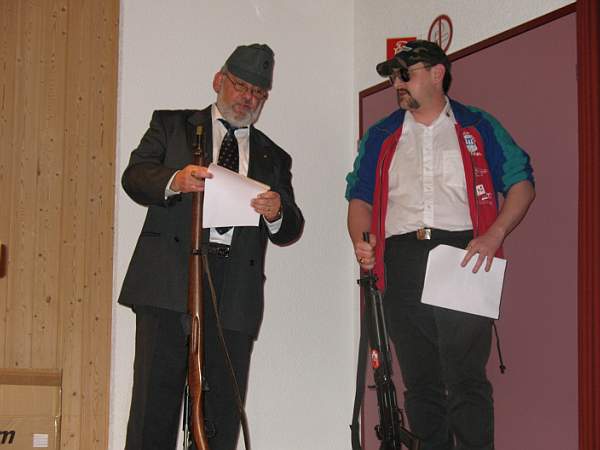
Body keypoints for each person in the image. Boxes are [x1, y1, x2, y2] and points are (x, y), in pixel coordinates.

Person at [345, 40, 535, 450]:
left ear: (437, 73)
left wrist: (495, 234)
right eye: (393, 77)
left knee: (465, 378)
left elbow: (521, 182)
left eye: (405, 74)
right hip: (401, 259)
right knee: (420, 381)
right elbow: (359, 198)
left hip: (463, 255)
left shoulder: (478, 125)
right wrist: (363, 242)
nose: (397, 84)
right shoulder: (381, 135)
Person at [118, 43, 304, 450]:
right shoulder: (172, 125)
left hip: (234, 291)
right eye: (241, 86)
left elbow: (291, 227)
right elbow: (134, 176)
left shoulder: (274, 155)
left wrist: (276, 211)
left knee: (219, 418)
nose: (248, 98)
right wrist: (175, 180)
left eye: (258, 93)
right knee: (153, 409)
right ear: (219, 80)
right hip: (169, 280)